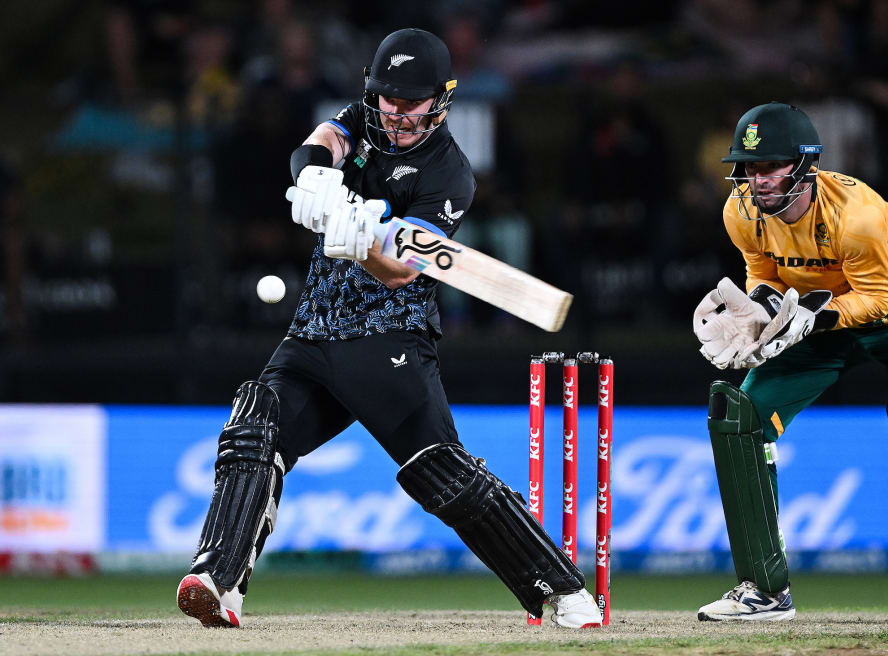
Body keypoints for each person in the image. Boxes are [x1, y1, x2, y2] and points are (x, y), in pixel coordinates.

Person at [176, 28, 602, 629]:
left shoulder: (450, 173)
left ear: (441, 98)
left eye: (410, 102)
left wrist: (362, 248)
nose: (396, 113)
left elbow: (403, 271)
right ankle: (217, 581)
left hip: (388, 340)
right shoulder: (362, 119)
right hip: (313, 330)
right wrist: (315, 180)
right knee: (254, 430)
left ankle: (563, 589)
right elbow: (318, 143)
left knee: (442, 473)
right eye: (387, 98)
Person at [692, 102, 888, 623]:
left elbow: (877, 300)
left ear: (805, 165)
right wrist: (761, 310)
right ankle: (764, 591)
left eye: (770, 167)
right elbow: (763, 274)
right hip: (814, 317)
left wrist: (813, 318)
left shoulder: (857, 218)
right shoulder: (740, 213)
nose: (757, 181)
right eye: (749, 168)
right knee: (737, 415)